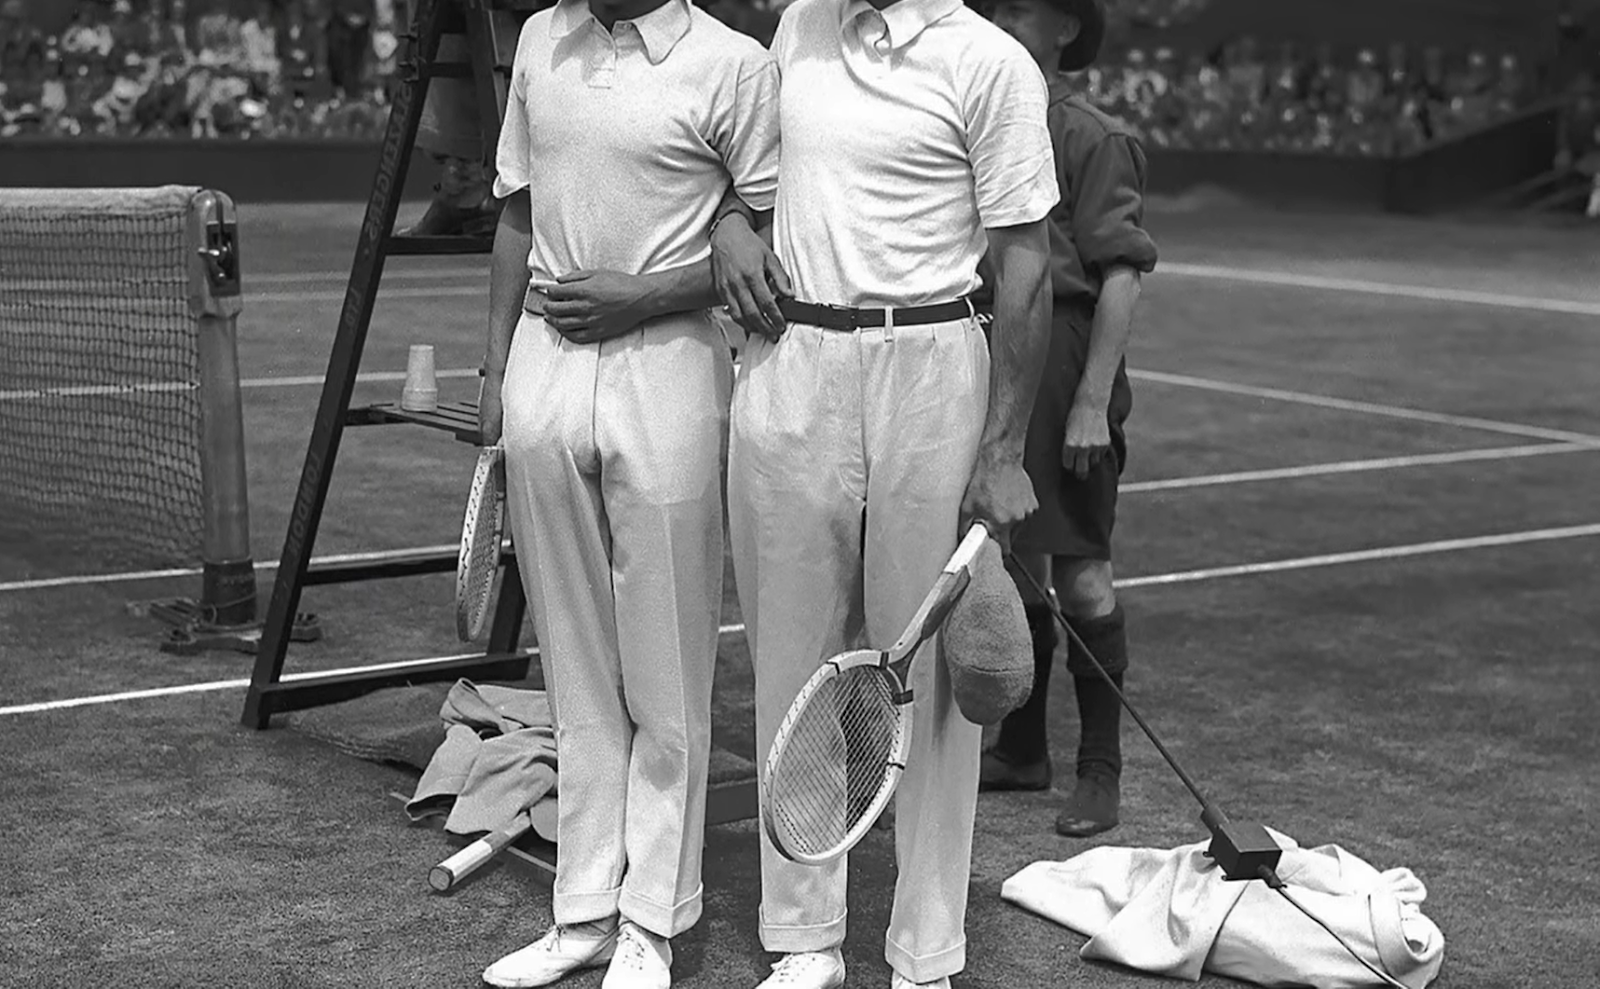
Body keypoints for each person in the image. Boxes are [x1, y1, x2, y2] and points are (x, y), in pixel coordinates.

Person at [709, 0, 1059, 985]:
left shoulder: (990, 64)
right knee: (788, 661)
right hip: (792, 360)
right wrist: (731, 220)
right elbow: (751, 174)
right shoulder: (798, 26)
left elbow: (1026, 269)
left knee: (936, 684)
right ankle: (803, 941)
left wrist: (1001, 449)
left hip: (933, 362)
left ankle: (924, 949)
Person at [473, 0, 780, 986]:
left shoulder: (736, 65)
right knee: (572, 666)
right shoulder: (536, 40)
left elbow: (773, 241)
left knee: (667, 673)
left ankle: (654, 919)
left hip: (671, 372)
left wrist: (644, 294)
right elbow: (516, 212)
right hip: (543, 371)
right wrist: (493, 375)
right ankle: (584, 912)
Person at [979, 0, 1157, 838]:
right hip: (997, 360)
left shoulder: (1090, 134)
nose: (1006, 21)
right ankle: (1022, 750)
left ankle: (1100, 769)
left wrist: (1091, 399)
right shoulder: (977, 115)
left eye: (1026, 10)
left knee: (1080, 566)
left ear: (1065, 31)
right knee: (1006, 560)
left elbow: (1120, 273)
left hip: (1067, 368)